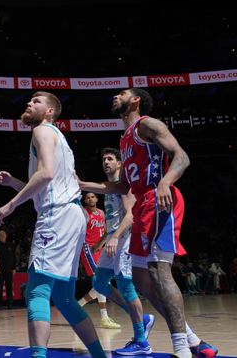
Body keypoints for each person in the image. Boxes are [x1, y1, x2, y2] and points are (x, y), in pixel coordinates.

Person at [78, 88, 218, 358]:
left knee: (158, 271)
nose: (115, 97)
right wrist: (83, 184)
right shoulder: (124, 141)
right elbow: (122, 186)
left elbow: (182, 157)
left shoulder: (147, 124)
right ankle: (193, 340)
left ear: (136, 100)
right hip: (142, 204)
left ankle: (181, 349)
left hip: (159, 200)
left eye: (121, 93)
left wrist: (166, 181)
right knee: (142, 279)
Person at [0, 92, 105, 358]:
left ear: (50, 112)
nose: (29, 103)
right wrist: (13, 183)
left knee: (36, 292)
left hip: (57, 217)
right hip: (73, 216)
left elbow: (46, 175)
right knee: (65, 300)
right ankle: (99, 355)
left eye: (36, 101)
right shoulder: (59, 138)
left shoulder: (42, 131)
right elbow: (46, 186)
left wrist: (11, 204)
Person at [81, 148, 154, 355]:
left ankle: (142, 341)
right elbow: (112, 219)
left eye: (110, 159)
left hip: (126, 239)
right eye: (103, 158)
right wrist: (104, 240)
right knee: (99, 283)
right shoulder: (110, 187)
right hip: (113, 239)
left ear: (120, 163)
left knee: (125, 285)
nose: (106, 161)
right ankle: (141, 318)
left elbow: (130, 216)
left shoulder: (125, 186)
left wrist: (114, 237)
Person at [77, 192, 120, 329]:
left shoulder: (102, 212)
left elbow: (106, 231)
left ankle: (79, 305)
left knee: (103, 282)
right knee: (100, 281)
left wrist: (102, 244)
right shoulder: (83, 213)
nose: (90, 198)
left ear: (96, 199)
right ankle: (104, 317)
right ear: (84, 200)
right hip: (88, 248)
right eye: (87, 197)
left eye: (92, 196)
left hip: (100, 247)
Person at [0, 229, 15, 309]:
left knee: (9, 287)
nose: (2, 237)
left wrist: (14, 268)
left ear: (6, 236)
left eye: (3, 235)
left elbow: (14, 258)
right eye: (1, 235)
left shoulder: (10, 245)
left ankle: (10, 304)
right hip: (0, 270)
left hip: (9, 270)